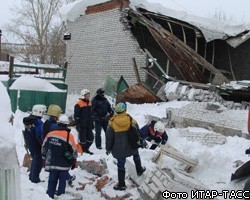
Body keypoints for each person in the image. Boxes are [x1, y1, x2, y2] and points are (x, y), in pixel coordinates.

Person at [106, 102, 146, 191]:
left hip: (119, 149)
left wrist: (108, 148)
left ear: (116, 111)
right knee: (136, 154)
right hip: (131, 146)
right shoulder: (130, 119)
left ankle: (121, 184)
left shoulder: (112, 122)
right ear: (125, 110)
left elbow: (109, 138)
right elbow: (138, 130)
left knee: (121, 165)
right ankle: (139, 170)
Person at [42, 115, 78, 199]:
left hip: (52, 163)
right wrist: (74, 161)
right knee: (62, 182)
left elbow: (44, 147)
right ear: (66, 125)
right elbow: (74, 151)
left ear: (58, 123)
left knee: (52, 181)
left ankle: (49, 197)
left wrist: (44, 159)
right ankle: (61, 197)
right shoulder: (69, 136)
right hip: (64, 164)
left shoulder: (50, 134)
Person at [43, 104, 76, 185]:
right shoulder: (54, 125)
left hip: (48, 144)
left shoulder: (47, 122)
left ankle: (67, 178)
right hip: (55, 146)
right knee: (60, 164)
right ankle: (65, 179)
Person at [23, 104, 46, 183]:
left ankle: (31, 176)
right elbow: (39, 135)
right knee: (38, 162)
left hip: (31, 144)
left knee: (34, 160)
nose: (43, 114)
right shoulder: (38, 122)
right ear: (39, 112)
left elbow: (26, 133)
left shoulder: (29, 120)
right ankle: (35, 179)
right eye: (42, 112)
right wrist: (43, 144)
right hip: (37, 145)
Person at [74, 89, 94, 155]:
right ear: (83, 95)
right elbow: (76, 115)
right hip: (82, 125)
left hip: (89, 124)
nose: (88, 96)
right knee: (83, 140)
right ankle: (82, 150)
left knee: (90, 138)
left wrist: (92, 123)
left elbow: (91, 114)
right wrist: (77, 124)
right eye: (87, 95)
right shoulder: (78, 104)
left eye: (89, 95)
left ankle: (86, 149)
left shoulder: (90, 103)